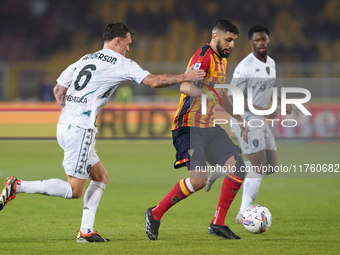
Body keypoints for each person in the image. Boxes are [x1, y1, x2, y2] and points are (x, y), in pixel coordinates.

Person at [0, 21, 205, 243]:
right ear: (117, 41)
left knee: (100, 177)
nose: (128, 49)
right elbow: (153, 81)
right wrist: (185, 76)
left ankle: (86, 231)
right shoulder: (121, 62)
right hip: (81, 129)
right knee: (74, 189)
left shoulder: (85, 58)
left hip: (65, 124)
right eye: (127, 44)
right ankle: (17, 186)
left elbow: (58, 88)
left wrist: (69, 113)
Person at [145, 19, 250, 241]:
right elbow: (184, 85)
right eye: (227, 39)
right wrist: (206, 93)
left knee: (238, 168)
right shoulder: (203, 56)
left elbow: (220, 94)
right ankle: (155, 214)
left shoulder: (222, 61)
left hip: (209, 127)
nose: (231, 45)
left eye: (234, 41)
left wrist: (240, 119)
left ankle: (218, 223)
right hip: (188, 126)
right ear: (215, 36)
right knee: (199, 180)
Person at [205, 24, 292, 224]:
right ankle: (243, 213)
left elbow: (265, 92)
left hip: (260, 118)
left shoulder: (271, 62)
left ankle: (222, 168)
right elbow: (232, 96)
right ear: (251, 42)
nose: (261, 43)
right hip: (245, 119)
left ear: (268, 40)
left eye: (264, 39)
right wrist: (262, 110)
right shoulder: (245, 67)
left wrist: (278, 106)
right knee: (259, 165)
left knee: (270, 166)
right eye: (256, 40)